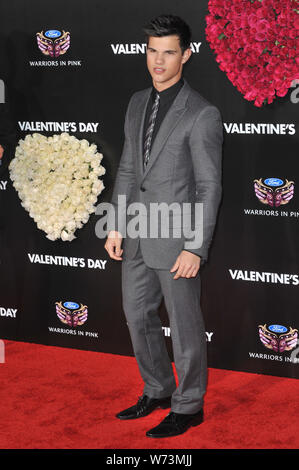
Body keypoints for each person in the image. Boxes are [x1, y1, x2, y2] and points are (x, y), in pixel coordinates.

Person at [104, 14, 223, 438]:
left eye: (168, 52)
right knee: (137, 316)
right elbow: (128, 168)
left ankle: (189, 405)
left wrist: (196, 247)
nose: (158, 61)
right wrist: (116, 223)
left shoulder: (202, 113)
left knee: (186, 324)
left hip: (177, 240)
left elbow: (210, 186)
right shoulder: (137, 102)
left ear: (186, 56)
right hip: (136, 231)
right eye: (152, 51)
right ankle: (157, 389)